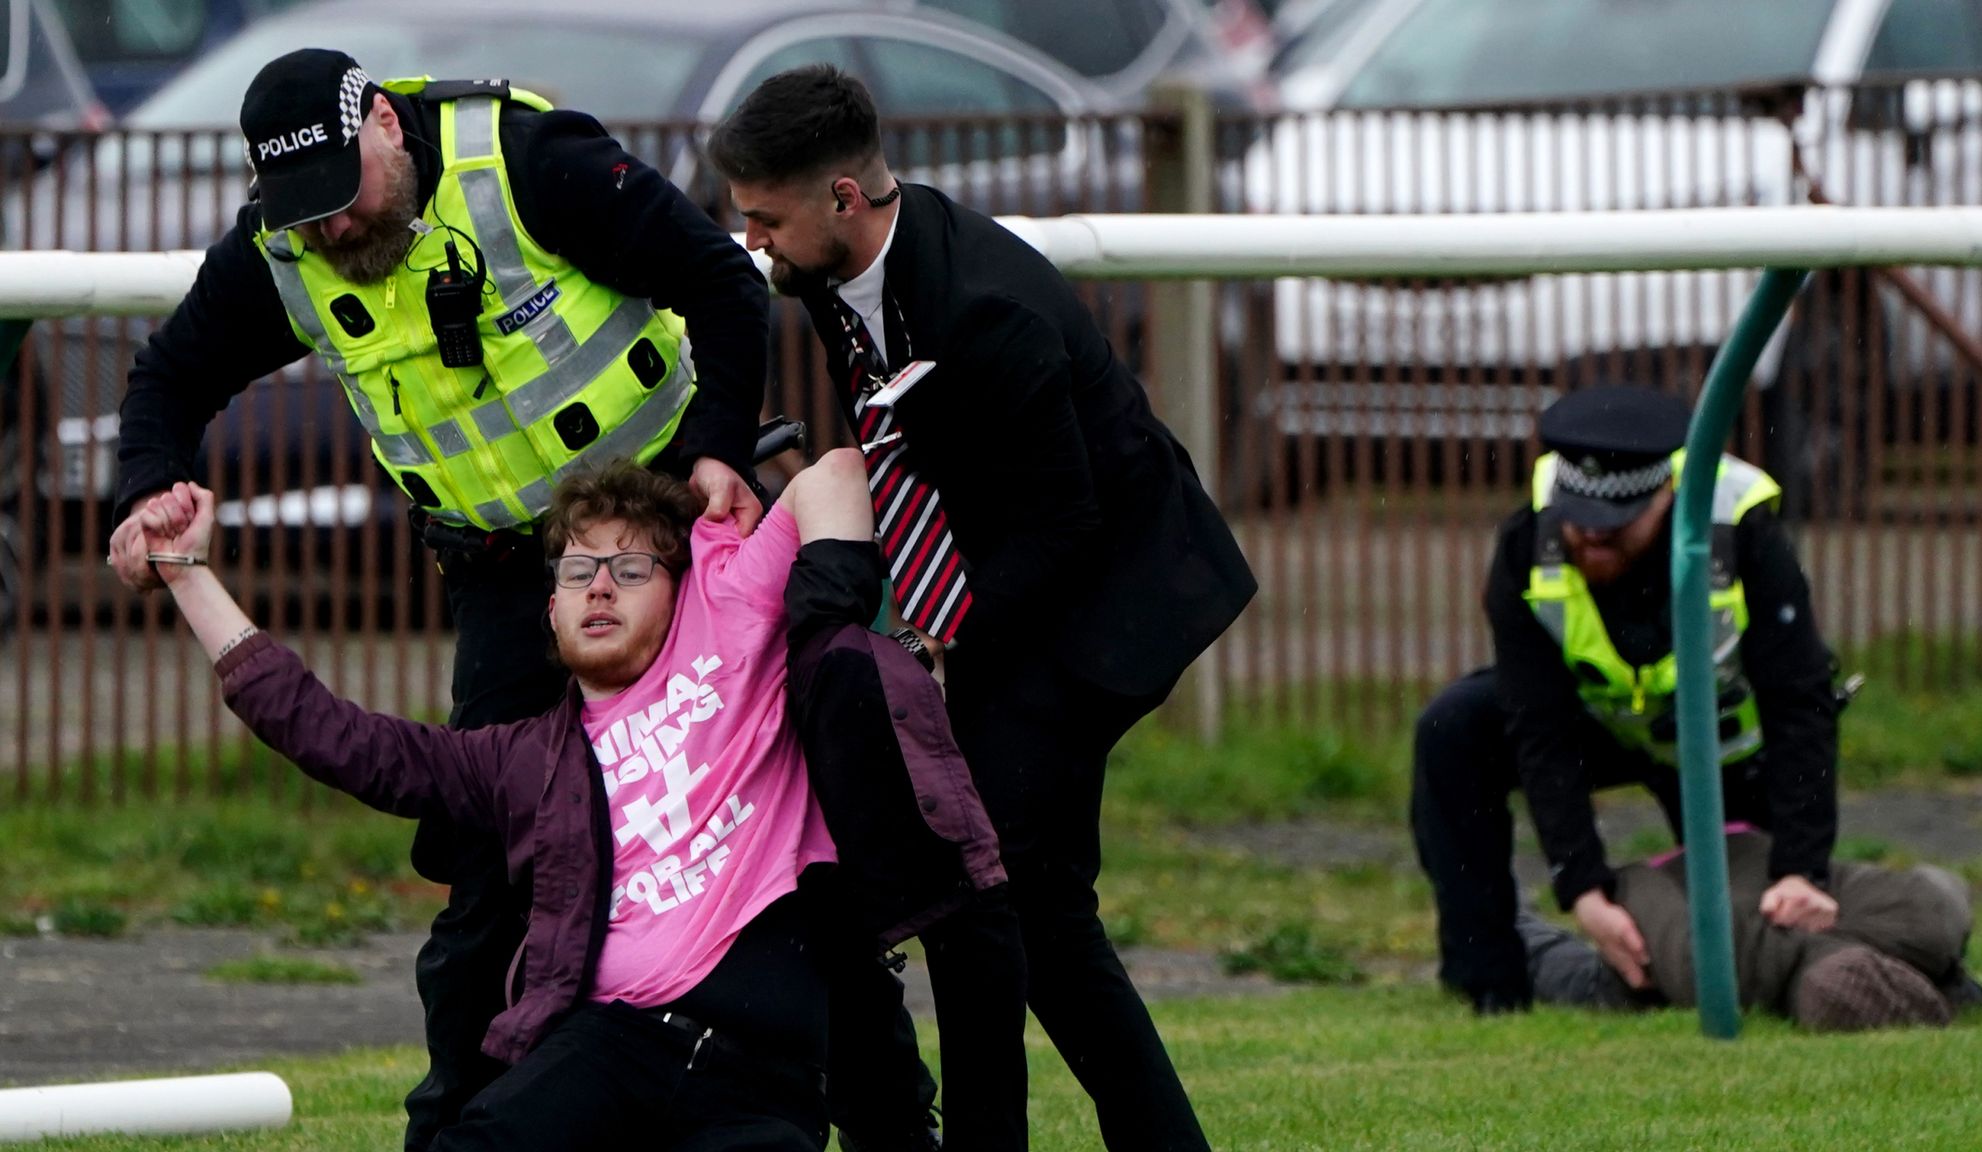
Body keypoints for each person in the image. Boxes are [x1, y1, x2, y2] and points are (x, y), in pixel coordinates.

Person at [105, 49, 771, 1149]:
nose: (327, 235)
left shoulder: (529, 163)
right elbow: (167, 378)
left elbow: (722, 283)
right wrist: (148, 496)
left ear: (378, 123)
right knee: (483, 883)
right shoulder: (282, 246)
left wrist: (717, 458)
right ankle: (455, 1130)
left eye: (337, 199)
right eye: (300, 213)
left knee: (764, 837)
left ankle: (884, 1117)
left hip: (664, 546)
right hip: (512, 585)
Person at [131, 452, 1009, 1151]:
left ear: (681, 586)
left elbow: (838, 475)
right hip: (608, 1047)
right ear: (546, 611)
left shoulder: (734, 617)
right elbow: (335, 736)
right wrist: (186, 572)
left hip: (762, 1062)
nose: (598, 587)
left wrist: (816, 621)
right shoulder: (523, 759)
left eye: (630, 567)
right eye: (578, 569)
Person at [708, 65, 1259, 1152]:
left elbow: (1063, 526)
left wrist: (924, 641)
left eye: (766, 221)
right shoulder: (834, 268)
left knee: (997, 892)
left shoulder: (988, 308)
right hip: (1014, 585)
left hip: (1105, 598)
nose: (756, 245)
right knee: (1014, 903)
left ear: (842, 202)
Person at [1410, 385, 1844, 1014]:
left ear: (1667, 495)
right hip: (1598, 723)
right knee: (1452, 730)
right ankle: (1489, 977)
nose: (1588, 540)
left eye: (1613, 529)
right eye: (1576, 521)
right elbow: (1541, 729)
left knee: (1749, 948)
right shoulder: (1528, 541)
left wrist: (1801, 868)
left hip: (1719, 743)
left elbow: (1800, 704)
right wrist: (1584, 888)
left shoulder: (1741, 531)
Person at [1517, 829, 1982, 1031]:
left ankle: (1513, 923)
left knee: (1579, 972)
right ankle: (1512, 922)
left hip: (1715, 889)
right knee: (1582, 970)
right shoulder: (1920, 919)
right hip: (1678, 899)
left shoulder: (1920, 920)